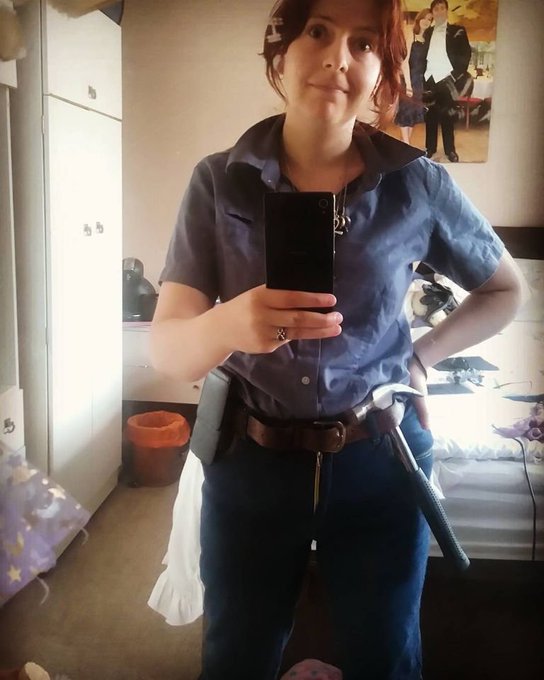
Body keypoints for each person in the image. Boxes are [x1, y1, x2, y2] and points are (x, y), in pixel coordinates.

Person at [150, 1, 523, 678]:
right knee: (236, 656)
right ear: (281, 50)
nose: (337, 58)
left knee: (387, 657)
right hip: (250, 464)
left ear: (383, 69)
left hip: (382, 460)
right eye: (318, 32)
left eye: (364, 43)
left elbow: (506, 291)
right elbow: (169, 349)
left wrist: (420, 355)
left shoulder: (420, 184)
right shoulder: (217, 181)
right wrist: (230, 324)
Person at [422, 0, 471, 162]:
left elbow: (465, 55)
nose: (439, 11)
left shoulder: (458, 31)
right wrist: (422, 77)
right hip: (429, 78)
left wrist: (454, 76)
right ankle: (430, 148)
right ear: (432, 13)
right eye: (436, 9)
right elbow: (421, 56)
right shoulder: (427, 33)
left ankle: (450, 150)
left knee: (448, 116)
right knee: (430, 116)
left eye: (442, 8)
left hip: (448, 78)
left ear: (446, 11)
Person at [395, 7, 433, 145]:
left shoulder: (426, 39)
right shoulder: (411, 34)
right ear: (419, 18)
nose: (426, 21)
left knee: (413, 113)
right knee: (405, 112)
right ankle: (406, 144)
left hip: (419, 80)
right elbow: (404, 61)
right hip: (408, 78)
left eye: (430, 19)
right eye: (425, 18)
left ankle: (405, 143)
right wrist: (408, 85)